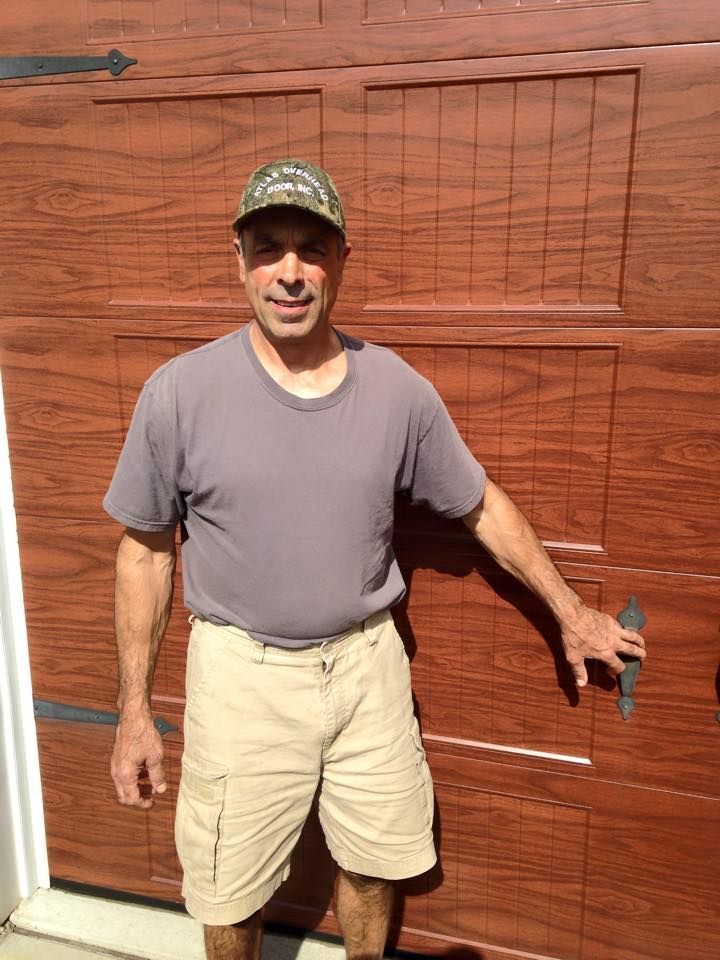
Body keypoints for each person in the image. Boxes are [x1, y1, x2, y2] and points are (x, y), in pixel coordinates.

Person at [104, 159, 646, 960]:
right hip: (240, 677)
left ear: (341, 260)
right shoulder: (180, 394)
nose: (290, 272)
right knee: (231, 885)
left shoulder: (395, 388)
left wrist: (570, 613)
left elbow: (482, 505)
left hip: (367, 671)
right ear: (240, 258)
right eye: (269, 247)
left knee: (374, 860)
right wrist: (131, 714)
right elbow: (145, 555)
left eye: (311, 249)